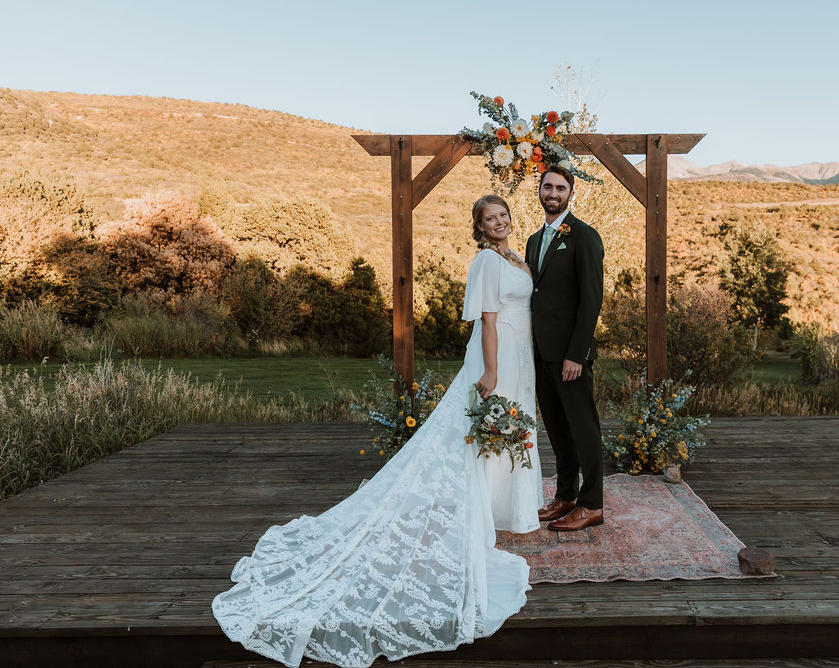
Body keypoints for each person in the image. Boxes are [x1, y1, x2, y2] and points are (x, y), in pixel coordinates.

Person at [211, 195, 542, 668]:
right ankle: (481, 511)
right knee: (486, 432)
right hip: (500, 353)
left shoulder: (517, 256)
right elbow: (488, 321)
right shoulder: (488, 261)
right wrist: (490, 372)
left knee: (506, 432)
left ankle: (501, 506)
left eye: (502, 215)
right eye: (490, 219)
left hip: (521, 351)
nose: (499, 223)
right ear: (480, 228)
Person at [525, 165, 605, 532]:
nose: (553, 193)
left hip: (570, 356)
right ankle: (566, 495)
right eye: (547, 186)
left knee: (583, 430)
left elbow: (591, 302)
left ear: (571, 193)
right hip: (541, 353)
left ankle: (592, 504)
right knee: (558, 430)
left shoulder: (584, 237)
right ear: (539, 191)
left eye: (560, 187)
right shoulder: (533, 240)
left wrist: (577, 353)